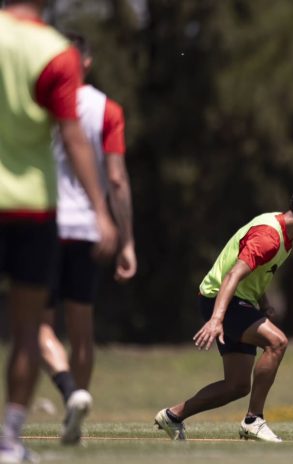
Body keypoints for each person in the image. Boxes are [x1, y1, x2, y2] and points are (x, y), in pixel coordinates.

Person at [0, 1, 117, 462]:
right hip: (31, 205)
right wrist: (100, 210)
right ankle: (8, 440)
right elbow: (70, 135)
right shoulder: (54, 51)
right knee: (28, 329)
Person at [154, 184, 293, 443]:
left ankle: (172, 416)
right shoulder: (269, 237)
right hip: (223, 299)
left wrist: (263, 301)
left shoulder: (285, 234)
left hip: (236, 301)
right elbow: (233, 274)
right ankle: (253, 420)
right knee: (277, 342)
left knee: (236, 386)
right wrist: (217, 320)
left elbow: (256, 273)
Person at [37, 33, 137, 445]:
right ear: (89, 62)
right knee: (82, 329)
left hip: (42, 224)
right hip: (89, 230)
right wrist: (127, 240)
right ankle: (78, 406)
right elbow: (116, 179)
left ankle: (69, 391)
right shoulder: (107, 110)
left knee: (38, 328)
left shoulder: (37, 103)